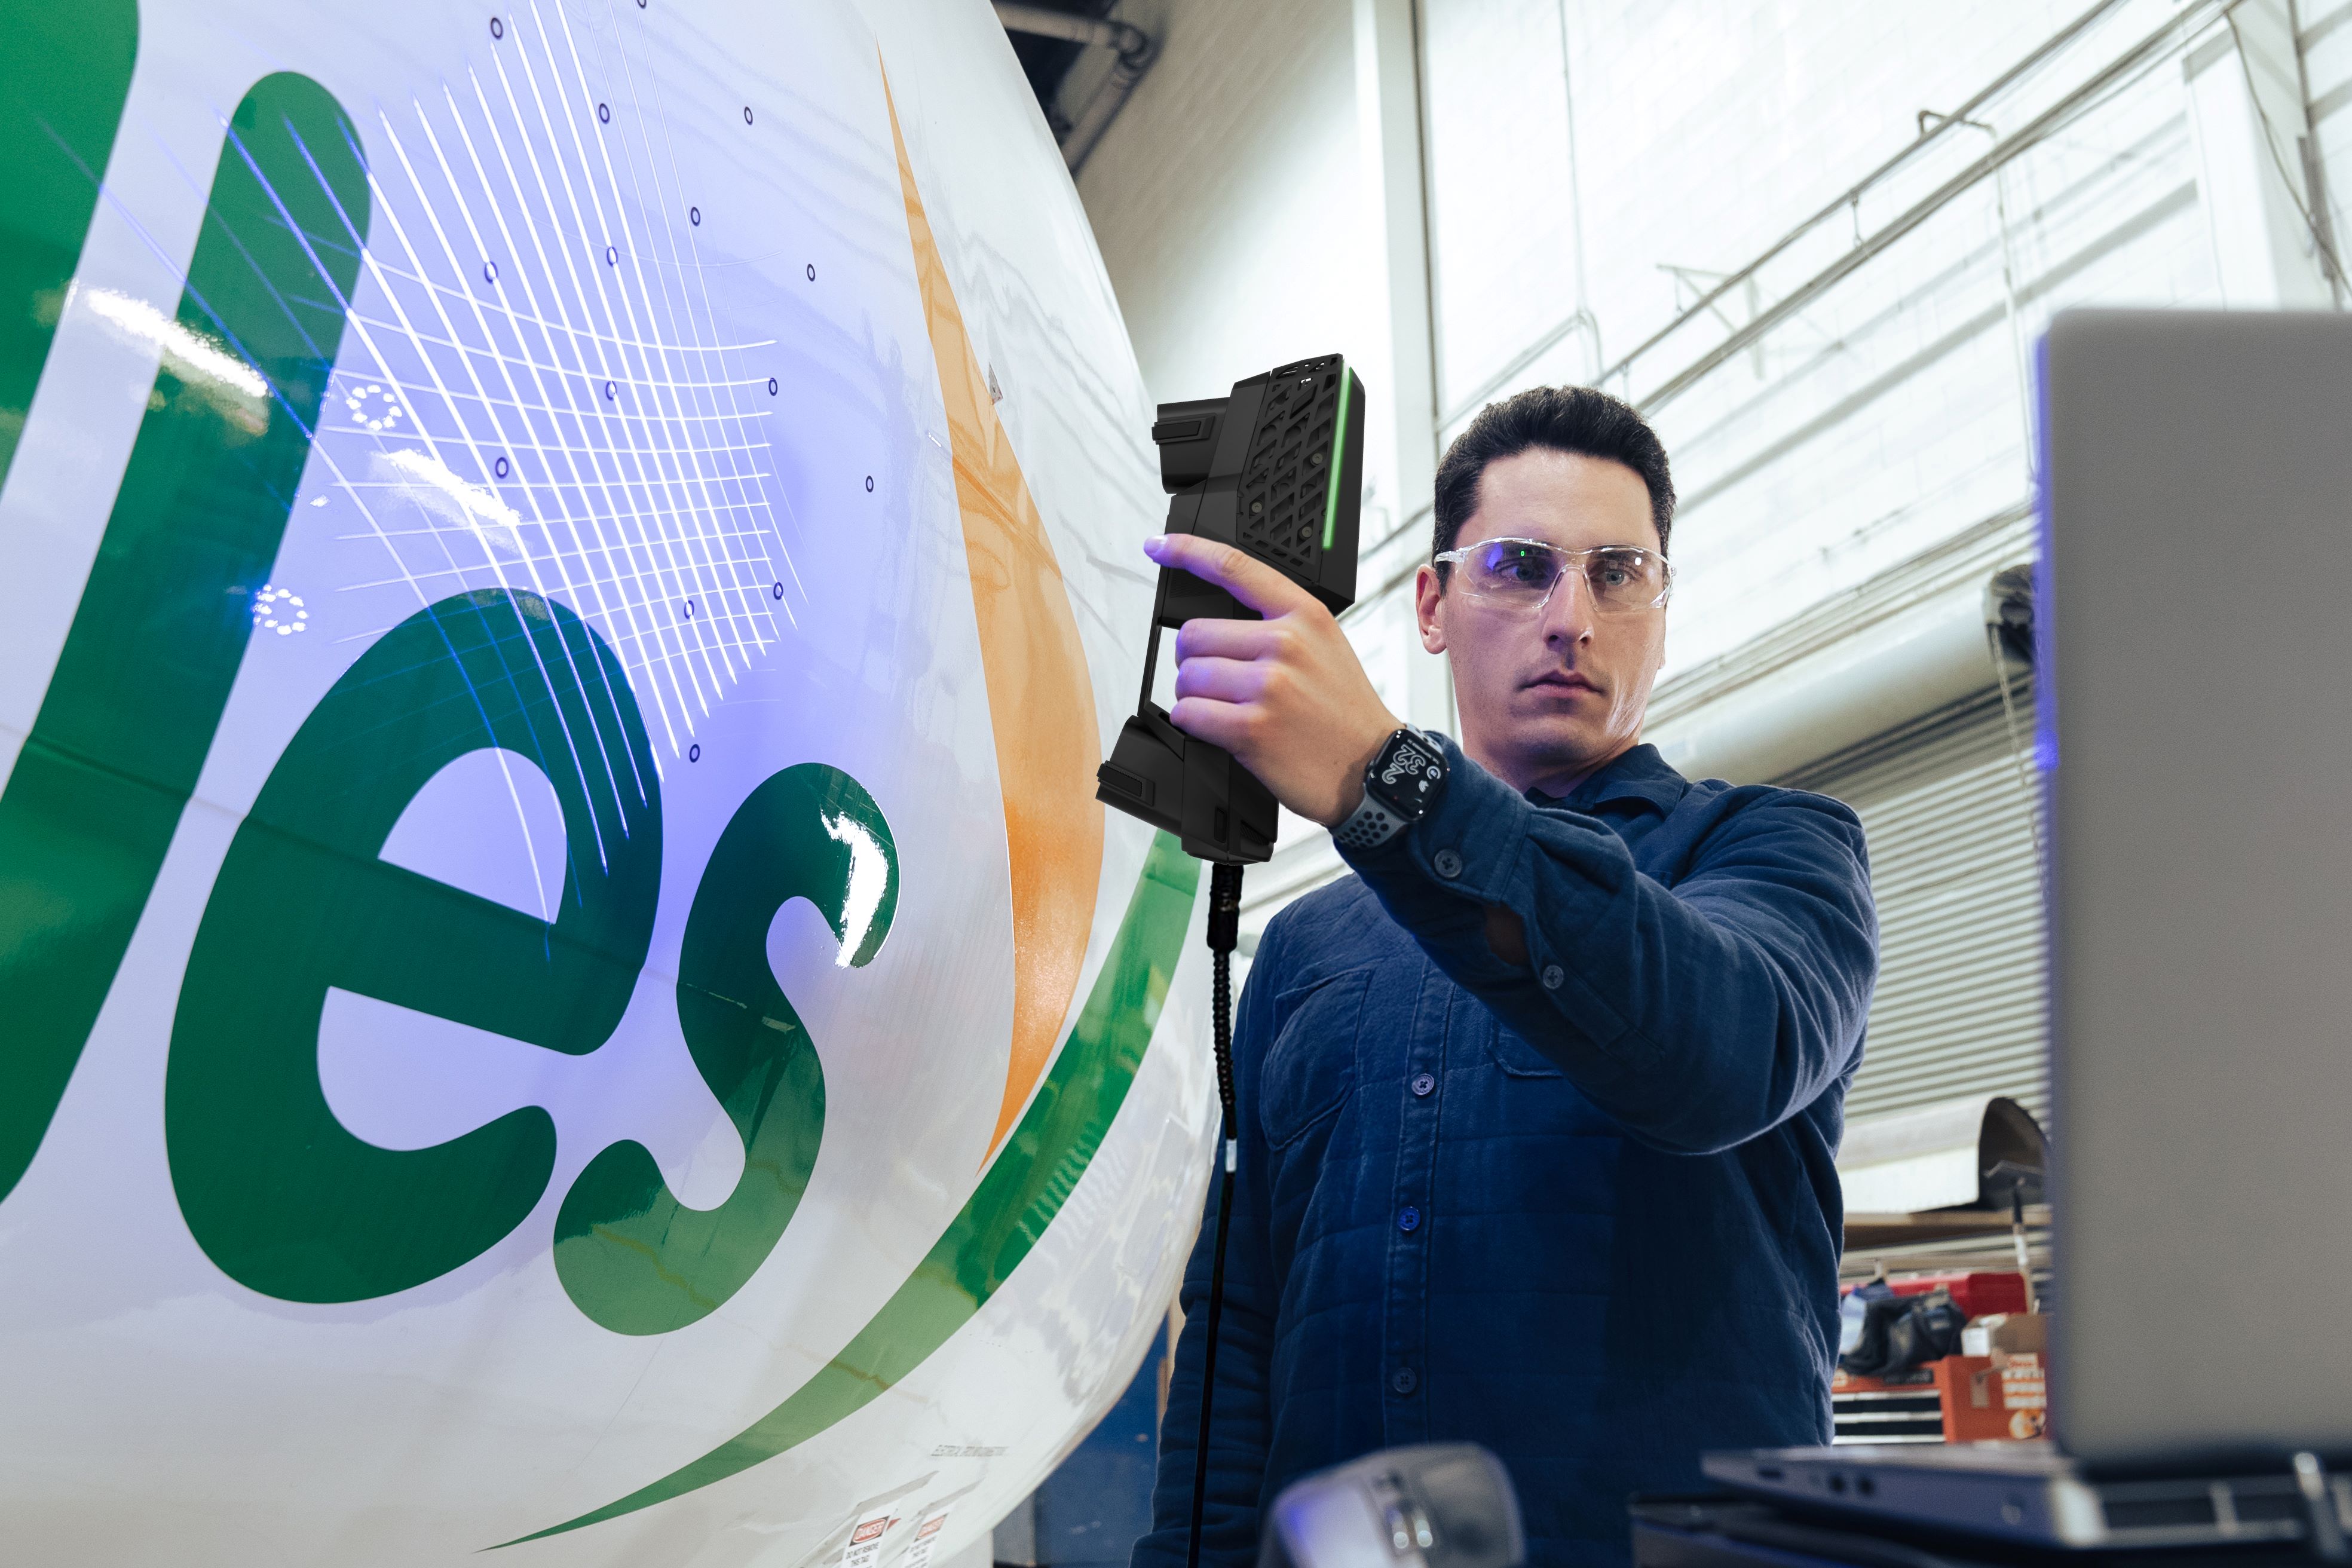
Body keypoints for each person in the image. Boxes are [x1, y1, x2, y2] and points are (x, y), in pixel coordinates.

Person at [1127, 386, 1879, 1568]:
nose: (1572, 616)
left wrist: (1389, 782)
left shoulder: (1780, 855)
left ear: (1663, 608)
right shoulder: (1308, 953)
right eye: (1520, 566)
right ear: (1433, 603)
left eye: (1619, 571)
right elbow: (1237, 1324)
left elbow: (1720, 1054)